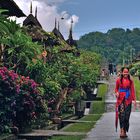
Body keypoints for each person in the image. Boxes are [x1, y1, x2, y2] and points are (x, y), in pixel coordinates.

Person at [115, 67, 136, 138]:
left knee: (127, 117)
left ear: (128, 73)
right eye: (124, 72)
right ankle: (122, 131)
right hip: (121, 100)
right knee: (121, 116)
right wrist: (116, 93)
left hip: (128, 99)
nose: (125, 73)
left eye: (127, 72)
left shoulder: (131, 81)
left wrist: (134, 100)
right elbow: (116, 89)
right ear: (122, 72)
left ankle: (125, 130)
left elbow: (132, 90)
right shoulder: (118, 80)